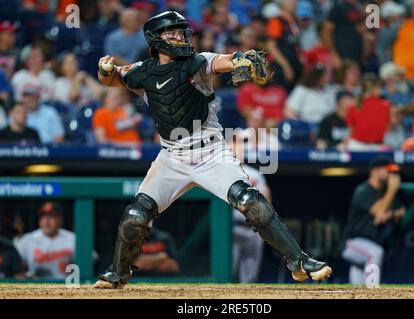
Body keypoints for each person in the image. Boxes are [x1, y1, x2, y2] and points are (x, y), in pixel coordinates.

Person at [94, 10, 332, 289]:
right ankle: (117, 274)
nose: (180, 37)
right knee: (136, 215)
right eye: (172, 32)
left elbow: (223, 61)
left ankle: (299, 262)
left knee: (249, 200)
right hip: (171, 156)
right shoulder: (143, 71)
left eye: (182, 31)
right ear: (155, 39)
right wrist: (104, 70)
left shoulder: (197, 62)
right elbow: (112, 79)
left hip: (211, 153)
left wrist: (241, 59)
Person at [341, 156, 406, 285]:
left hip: (369, 246)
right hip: (353, 242)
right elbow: (380, 216)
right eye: (388, 170)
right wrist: (392, 189)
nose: (391, 175)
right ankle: (373, 293)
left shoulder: (385, 192)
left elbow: (401, 211)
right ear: (375, 171)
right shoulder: (363, 190)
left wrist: (391, 214)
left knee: (357, 291)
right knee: (376, 253)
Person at [229, 134, 268, 283]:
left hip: (253, 229)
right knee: (227, 274)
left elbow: (267, 200)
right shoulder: (222, 174)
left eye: (239, 147)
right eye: (233, 147)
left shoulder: (254, 174)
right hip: (232, 229)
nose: (236, 150)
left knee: (250, 279)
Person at [15, 202, 75, 279]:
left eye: (51, 217)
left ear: (60, 220)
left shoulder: (72, 239)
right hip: (36, 287)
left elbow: (91, 260)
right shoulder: (27, 240)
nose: (46, 221)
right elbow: (14, 266)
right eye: (43, 217)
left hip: (65, 287)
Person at [346, 74, 391, 151]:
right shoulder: (385, 105)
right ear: (376, 88)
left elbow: (351, 130)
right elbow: (387, 128)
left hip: (356, 147)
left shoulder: (353, 106)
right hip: (376, 147)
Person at [266, 0, 302, 92]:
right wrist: (286, 66)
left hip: (295, 66)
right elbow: (271, 47)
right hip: (281, 69)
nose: (295, 3)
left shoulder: (293, 22)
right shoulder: (276, 21)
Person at [323, 0, 366, 68]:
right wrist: (334, 54)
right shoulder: (338, 8)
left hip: (357, 56)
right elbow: (326, 33)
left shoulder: (358, 8)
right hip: (342, 55)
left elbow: (361, 30)